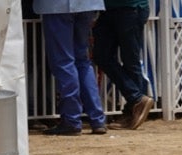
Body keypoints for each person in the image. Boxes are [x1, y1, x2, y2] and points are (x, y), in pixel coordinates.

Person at [34, 0, 107, 136]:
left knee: (64, 62)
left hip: (57, 6)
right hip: (87, 5)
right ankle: (97, 119)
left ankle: (71, 119)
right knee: (82, 61)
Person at [93, 0, 153, 130]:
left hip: (130, 8)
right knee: (102, 55)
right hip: (113, 9)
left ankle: (132, 110)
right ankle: (136, 100)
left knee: (130, 61)